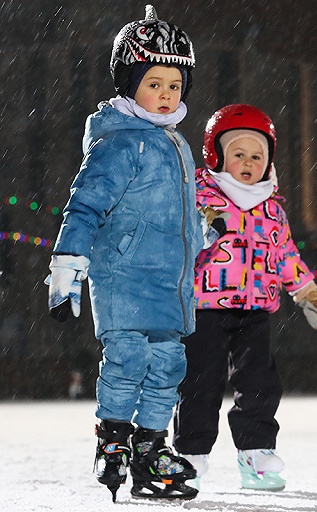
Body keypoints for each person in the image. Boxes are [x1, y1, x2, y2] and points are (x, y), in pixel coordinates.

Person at [45, 5, 209, 502]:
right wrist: (67, 266)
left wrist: (205, 234)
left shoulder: (175, 143)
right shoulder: (121, 144)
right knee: (128, 359)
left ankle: (151, 447)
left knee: (169, 365)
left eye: (174, 85)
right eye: (154, 83)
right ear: (129, 82)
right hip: (124, 276)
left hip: (171, 284)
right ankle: (114, 437)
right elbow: (85, 206)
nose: (166, 95)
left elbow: (181, 214)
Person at [172, 104, 317, 491]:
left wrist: (305, 290)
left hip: (255, 309)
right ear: (217, 156)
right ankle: (190, 452)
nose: (248, 162)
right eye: (238, 154)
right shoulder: (198, 195)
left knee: (260, 381)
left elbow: (285, 253)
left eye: (257, 155)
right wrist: (197, 223)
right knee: (200, 381)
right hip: (205, 309)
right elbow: (176, 241)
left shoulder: (273, 207)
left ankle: (256, 452)